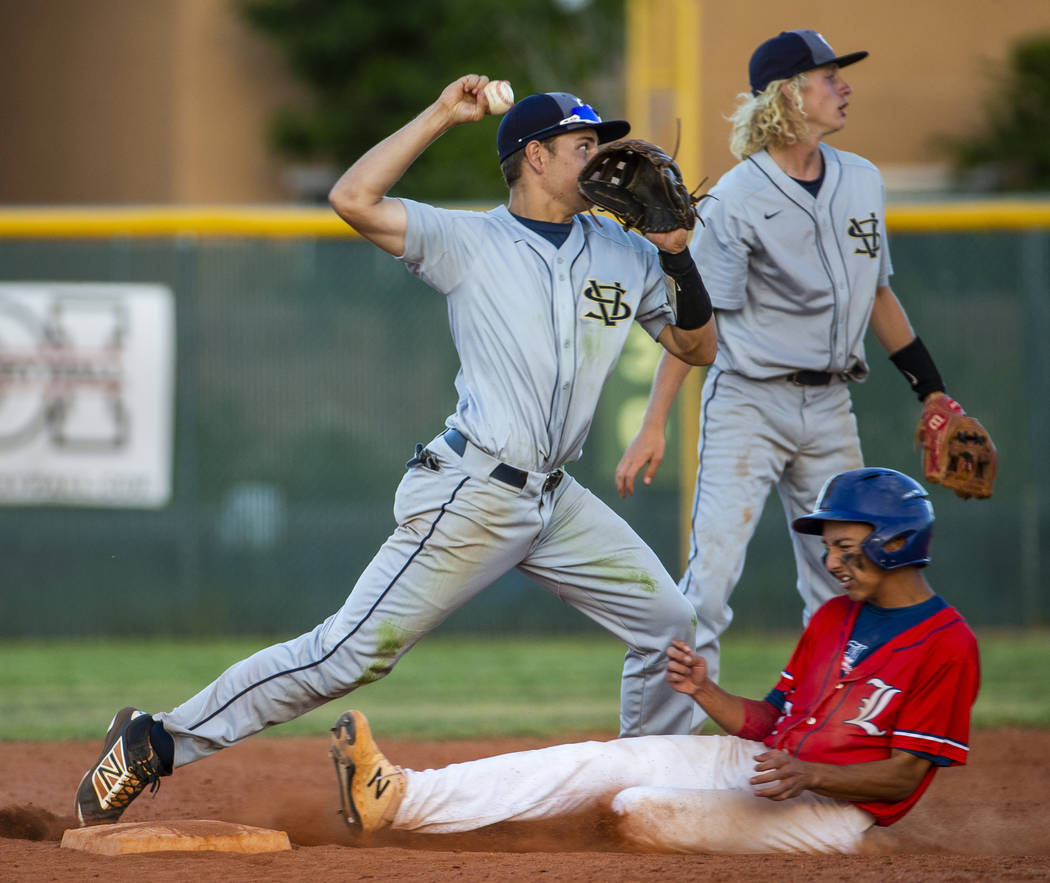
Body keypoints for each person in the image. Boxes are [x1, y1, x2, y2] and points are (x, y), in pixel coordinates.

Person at [73, 75, 717, 826]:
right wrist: (444, 114)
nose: (608, 161)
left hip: (556, 498)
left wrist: (676, 255)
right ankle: (154, 741)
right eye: (585, 146)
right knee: (347, 653)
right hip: (473, 490)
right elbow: (352, 198)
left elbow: (696, 345)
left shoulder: (624, 251)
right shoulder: (469, 241)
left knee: (671, 625)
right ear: (534, 158)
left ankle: (641, 796)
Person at [329, 467, 980, 855]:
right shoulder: (837, 616)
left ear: (896, 543)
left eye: (846, 547)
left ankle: (867, 850)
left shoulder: (947, 644)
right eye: (831, 549)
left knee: (637, 808)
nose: (832, 561)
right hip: (769, 765)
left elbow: (901, 777)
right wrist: (706, 692)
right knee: (604, 759)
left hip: (833, 810)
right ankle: (401, 796)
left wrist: (810, 773)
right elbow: (769, 720)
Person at [614, 29, 971, 727]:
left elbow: (878, 297)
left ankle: (834, 736)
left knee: (846, 581)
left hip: (832, 404)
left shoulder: (863, 179)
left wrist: (932, 390)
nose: (844, 87)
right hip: (749, 402)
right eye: (828, 76)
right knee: (708, 587)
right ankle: (659, 749)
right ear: (787, 95)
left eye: (840, 76)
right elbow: (695, 322)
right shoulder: (740, 196)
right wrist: (654, 421)